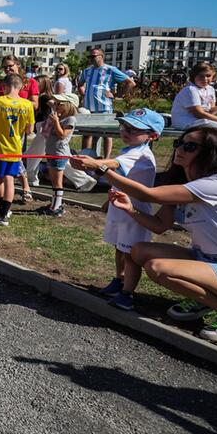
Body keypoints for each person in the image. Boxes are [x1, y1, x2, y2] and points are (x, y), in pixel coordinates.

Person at [70, 124, 217, 343]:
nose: (180, 149)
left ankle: (214, 305)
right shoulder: (182, 184)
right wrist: (131, 210)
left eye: (190, 146)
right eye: (179, 143)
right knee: (138, 251)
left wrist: (102, 169)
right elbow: (160, 225)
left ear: (211, 153)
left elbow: (150, 195)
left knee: (157, 268)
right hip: (202, 256)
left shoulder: (213, 184)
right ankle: (205, 301)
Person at [69, 109, 163, 309]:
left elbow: (113, 164)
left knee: (130, 255)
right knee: (119, 248)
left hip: (134, 212)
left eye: (134, 129)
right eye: (124, 126)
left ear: (153, 135)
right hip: (119, 207)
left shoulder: (142, 154)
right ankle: (119, 280)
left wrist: (93, 163)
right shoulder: (128, 150)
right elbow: (119, 177)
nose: (126, 131)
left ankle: (127, 294)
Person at [0, 73, 35, 226]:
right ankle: (5, 211)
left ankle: (2, 213)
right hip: (15, 147)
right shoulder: (27, 105)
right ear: (21, 87)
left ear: (4, 86)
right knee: (9, 179)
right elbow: (29, 130)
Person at [0, 55, 39, 202]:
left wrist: (15, 104)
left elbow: (35, 103)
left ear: (18, 65)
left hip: (18, 127)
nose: (7, 69)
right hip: (0, 129)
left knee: (17, 157)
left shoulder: (30, 82)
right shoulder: (1, 84)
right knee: (0, 161)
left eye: (10, 66)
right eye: (4, 67)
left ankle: (25, 187)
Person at [78, 48, 134, 159]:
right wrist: (85, 94)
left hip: (104, 107)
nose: (91, 59)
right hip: (88, 108)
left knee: (106, 134)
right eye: (90, 57)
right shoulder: (87, 71)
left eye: (94, 56)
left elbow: (130, 83)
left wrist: (118, 95)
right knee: (87, 133)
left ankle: (106, 159)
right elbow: (80, 84)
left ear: (101, 56)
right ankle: (85, 157)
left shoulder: (110, 70)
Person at [37, 93, 79, 217]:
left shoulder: (70, 119)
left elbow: (62, 135)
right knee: (54, 180)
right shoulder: (58, 117)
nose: (57, 106)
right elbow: (44, 131)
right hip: (51, 151)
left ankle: (56, 207)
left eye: (59, 104)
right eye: (56, 103)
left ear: (68, 106)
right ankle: (55, 204)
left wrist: (55, 122)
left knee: (57, 181)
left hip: (59, 153)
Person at [25, 76, 56, 187]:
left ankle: (31, 178)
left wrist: (56, 112)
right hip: (43, 127)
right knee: (36, 153)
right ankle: (31, 178)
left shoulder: (43, 97)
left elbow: (53, 103)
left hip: (43, 127)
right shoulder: (44, 96)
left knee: (34, 154)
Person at [171, 61, 217, 130]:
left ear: (213, 76)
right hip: (184, 121)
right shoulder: (191, 90)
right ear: (194, 76)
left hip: (201, 120)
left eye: (208, 76)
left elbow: (210, 112)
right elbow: (199, 114)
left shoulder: (210, 89)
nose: (205, 79)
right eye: (201, 76)